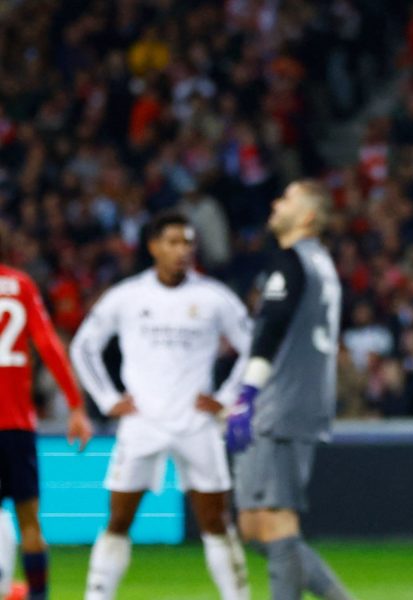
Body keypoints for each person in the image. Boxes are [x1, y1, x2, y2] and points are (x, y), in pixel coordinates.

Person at [70, 211, 251, 600]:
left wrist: (225, 398)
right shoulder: (127, 296)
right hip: (142, 423)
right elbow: (84, 346)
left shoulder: (214, 297)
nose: (182, 250)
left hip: (197, 423)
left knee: (216, 521)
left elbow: (253, 347)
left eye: (188, 243)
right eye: (173, 242)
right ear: (153, 247)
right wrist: (107, 399)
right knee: (119, 518)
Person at [224, 180, 351, 600]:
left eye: (288, 199)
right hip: (298, 399)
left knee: (277, 522)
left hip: (281, 403)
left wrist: (246, 395)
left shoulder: (292, 261)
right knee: (253, 525)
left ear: (308, 217)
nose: (277, 203)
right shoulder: (321, 263)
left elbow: (272, 329)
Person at [0, 257, 93, 600]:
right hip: (16, 425)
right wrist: (75, 405)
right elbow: (47, 342)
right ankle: (38, 596)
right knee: (29, 521)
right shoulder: (20, 284)